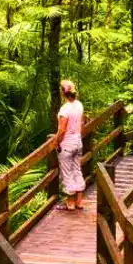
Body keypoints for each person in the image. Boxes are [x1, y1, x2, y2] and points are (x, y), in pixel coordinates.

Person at [52, 80, 86, 211]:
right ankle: (79, 202)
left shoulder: (64, 109)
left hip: (66, 144)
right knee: (77, 170)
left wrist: (56, 142)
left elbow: (62, 130)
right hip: (78, 142)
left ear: (62, 93)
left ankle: (70, 204)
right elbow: (82, 123)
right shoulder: (79, 105)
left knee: (67, 173)